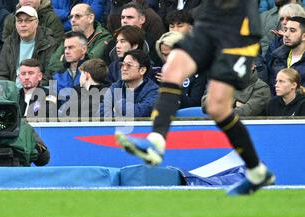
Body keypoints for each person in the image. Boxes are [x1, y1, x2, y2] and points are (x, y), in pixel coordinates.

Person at [115, 0, 276, 196]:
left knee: (217, 107)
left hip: (238, 29)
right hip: (209, 22)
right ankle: (156, 140)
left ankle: (256, 171)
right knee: (172, 69)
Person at [0, 6, 57, 86]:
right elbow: (2, 74)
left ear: (36, 23)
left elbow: (50, 75)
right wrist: (9, 91)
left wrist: (30, 90)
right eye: (19, 21)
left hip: (37, 90)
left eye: (28, 21)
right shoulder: (9, 42)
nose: (23, 25)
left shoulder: (49, 43)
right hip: (12, 91)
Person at [48, 3, 112, 74]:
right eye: (71, 17)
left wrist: (63, 59)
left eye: (77, 16)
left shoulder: (104, 37)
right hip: (67, 80)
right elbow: (52, 65)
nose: (72, 20)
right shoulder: (68, 36)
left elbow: (90, 63)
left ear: (90, 18)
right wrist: (74, 59)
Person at [100, 49, 158, 118]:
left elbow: (141, 113)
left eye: (129, 65)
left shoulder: (153, 91)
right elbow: (101, 111)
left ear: (142, 70)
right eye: (122, 64)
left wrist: (119, 105)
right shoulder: (116, 86)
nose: (124, 68)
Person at [155, 31, 207, 108]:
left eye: (170, 54)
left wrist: (173, 85)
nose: (167, 59)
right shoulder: (158, 72)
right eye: (164, 54)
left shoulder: (198, 72)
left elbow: (194, 104)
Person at [268, 16, 305, 94]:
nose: (286, 34)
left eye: (292, 30)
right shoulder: (276, 57)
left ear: (304, 36)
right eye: (285, 30)